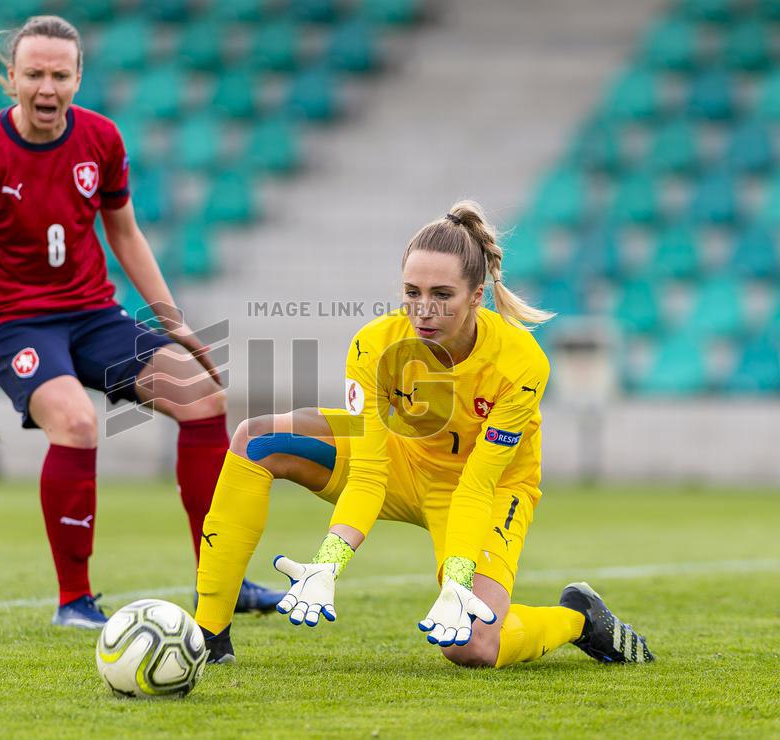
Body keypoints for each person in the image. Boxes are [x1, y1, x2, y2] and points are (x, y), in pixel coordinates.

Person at [0, 15, 282, 629]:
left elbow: (125, 234)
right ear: (11, 77)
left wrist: (174, 322)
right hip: (14, 323)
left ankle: (221, 581)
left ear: (78, 77)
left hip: (93, 313)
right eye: (34, 74)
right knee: (77, 421)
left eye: (59, 75)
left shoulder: (101, 139)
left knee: (202, 396)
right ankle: (73, 601)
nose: (47, 87)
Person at [194, 200, 655, 667]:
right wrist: (328, 563)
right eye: (412, 292)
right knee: (257, 441)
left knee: (471, 646)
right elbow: (369, 474)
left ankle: (577, 618)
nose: (424, 309)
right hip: (401, 463)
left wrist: (457, 580)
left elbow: (476, 486)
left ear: (476, 296)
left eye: (442, 294)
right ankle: (208, 637)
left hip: (489, 489)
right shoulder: (374, 346)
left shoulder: (521, 363)